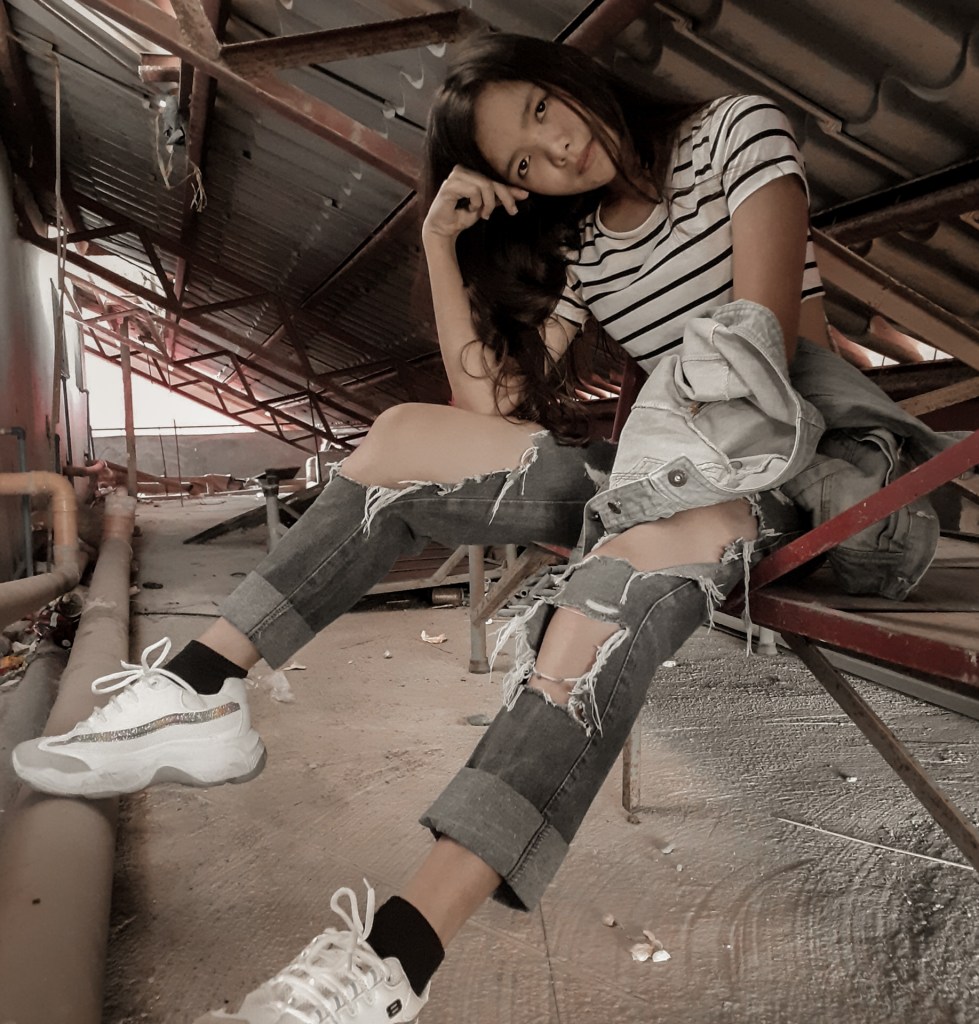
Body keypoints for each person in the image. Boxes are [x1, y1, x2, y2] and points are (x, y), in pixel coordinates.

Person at [14, 31, 838, 1024]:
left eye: (541, 110)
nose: (557, 149)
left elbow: (756, 358)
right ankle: (201, 688)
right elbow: (484, 407)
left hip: (799, 468)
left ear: (564, 76)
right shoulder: (582, 244)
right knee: (405, 437)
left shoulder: (735, 133)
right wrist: (439, 244)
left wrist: (636, 495)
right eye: (523, 165)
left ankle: (390, 963)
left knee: (599, 597)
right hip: (663, 467)